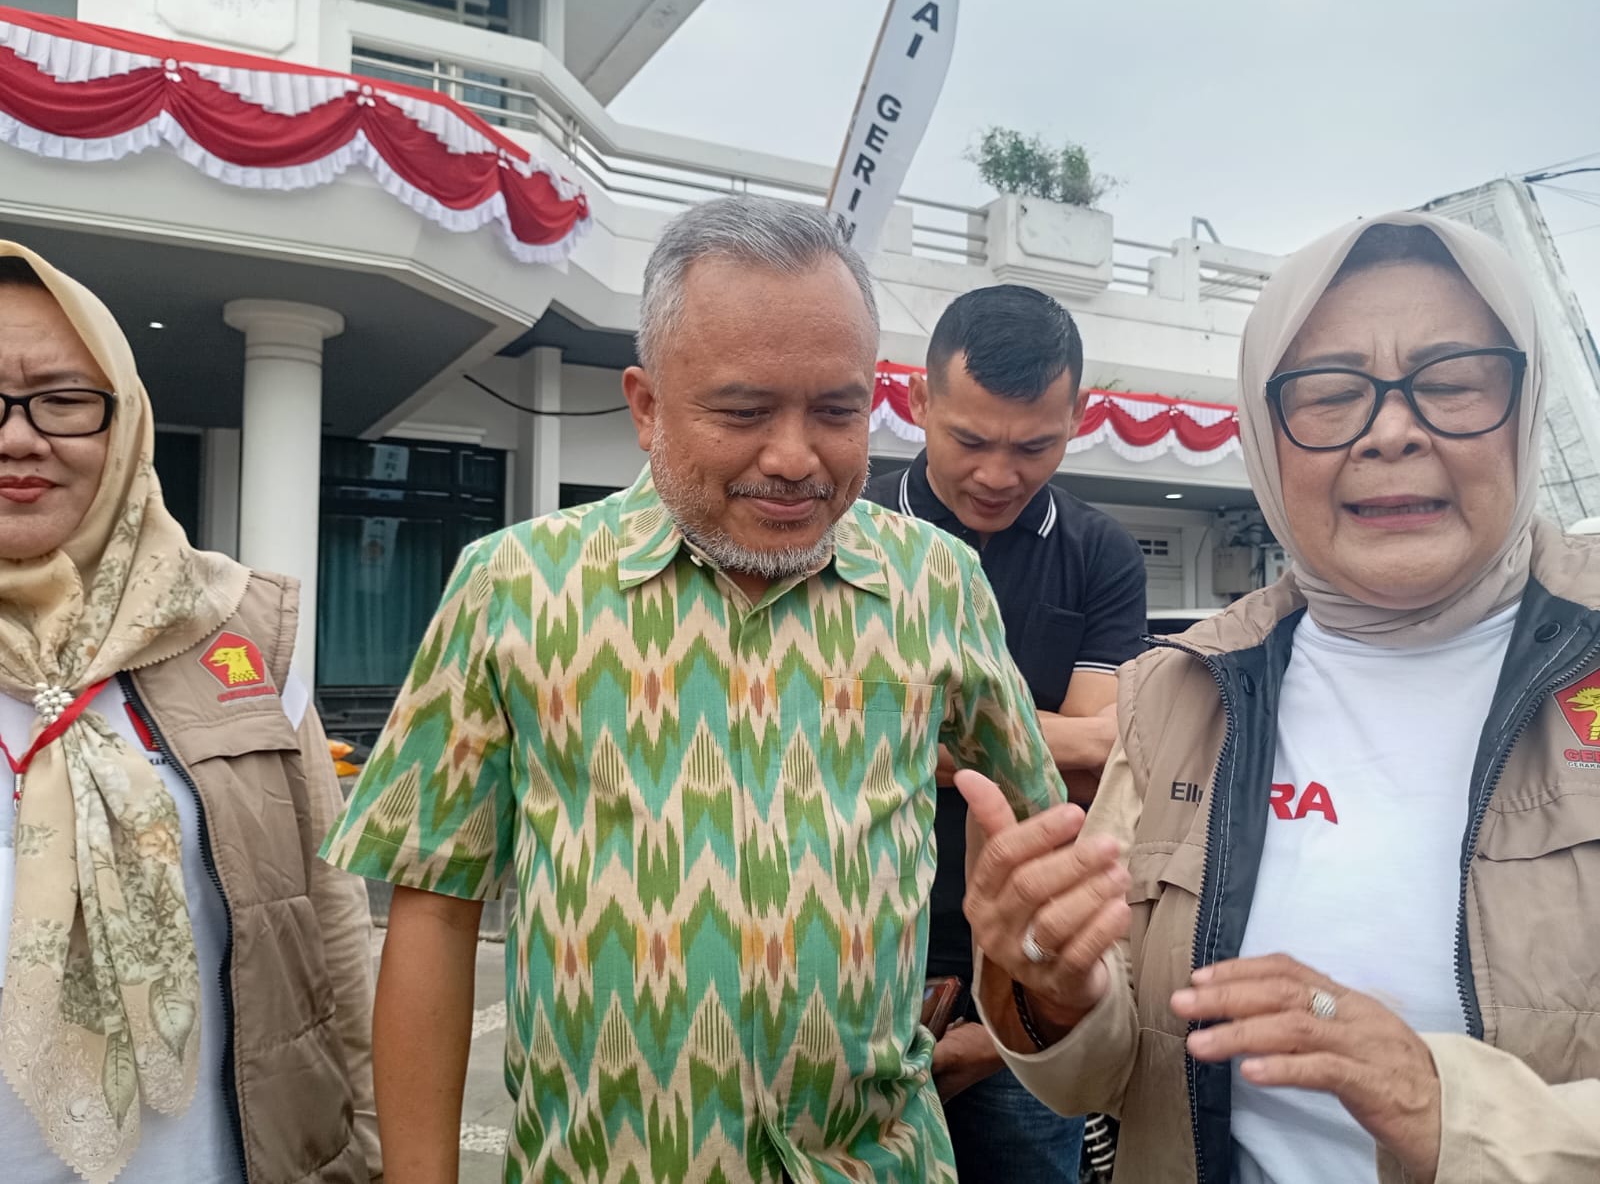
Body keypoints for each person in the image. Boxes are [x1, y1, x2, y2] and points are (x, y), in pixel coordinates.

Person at [321, 195, 1067, 1184]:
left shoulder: (937, 584)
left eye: (836, 411)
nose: (794, 458)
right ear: (645, 406)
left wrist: (1012, 1025)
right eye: (744, 411)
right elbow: (434, 904)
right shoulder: (514, 589)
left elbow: (1037, 845)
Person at [956, 210, 1600, 1182]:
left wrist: (1451, 1110)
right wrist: (1047, 989)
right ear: (1266, 437)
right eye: (1330, 396)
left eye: (1452, 382)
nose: (1391, 431)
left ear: (1524, 400)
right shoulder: (1183, 689)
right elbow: (1109, 1072)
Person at [0, 245, 379, 1182]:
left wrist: (371, 1151)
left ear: (125, 420)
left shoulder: (238, 636)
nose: (19, 438)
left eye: (63, 399)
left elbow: (330, 928)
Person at [861, 284, 1146, 1179]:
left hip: (1023, 973)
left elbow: (1104, 762)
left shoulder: (1100, 554)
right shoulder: (851, 531)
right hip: (849, 962)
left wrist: (915, 721)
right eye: (971, 440)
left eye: (1033, 447)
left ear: (1078, 419)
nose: (998, 475)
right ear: (918, 402)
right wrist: (1043, 743)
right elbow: (826, 726)